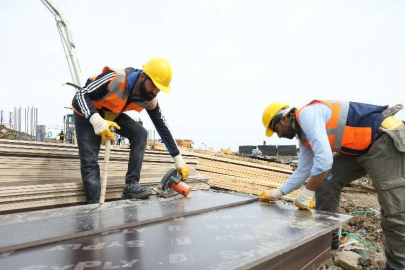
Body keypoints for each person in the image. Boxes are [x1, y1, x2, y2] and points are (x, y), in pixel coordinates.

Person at [260, 100, 405, 270]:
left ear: (284, 119)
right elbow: (304, 169)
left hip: (382, 140)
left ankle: (398, 266)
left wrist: (307, 192)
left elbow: (324, 160)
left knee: (394, 209)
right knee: (326, 181)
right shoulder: (304, 135)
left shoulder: (307, 115)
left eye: (275, 129)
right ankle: (329, 239)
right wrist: (278, 192)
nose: (278, 135)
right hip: (358, 148)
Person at [71, 58, 189, 204]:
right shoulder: (116, 78)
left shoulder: (149, 98)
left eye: (159, 89)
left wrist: (178, 159)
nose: (155, 92)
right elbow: (80, 95)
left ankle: (131, 186)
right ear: (142, 76)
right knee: (90, 161)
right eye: (154, 86)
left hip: (112, 112)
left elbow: (162, 127)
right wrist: (96, 120)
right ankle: (93, 207)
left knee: (140, 133)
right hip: (88, 112)